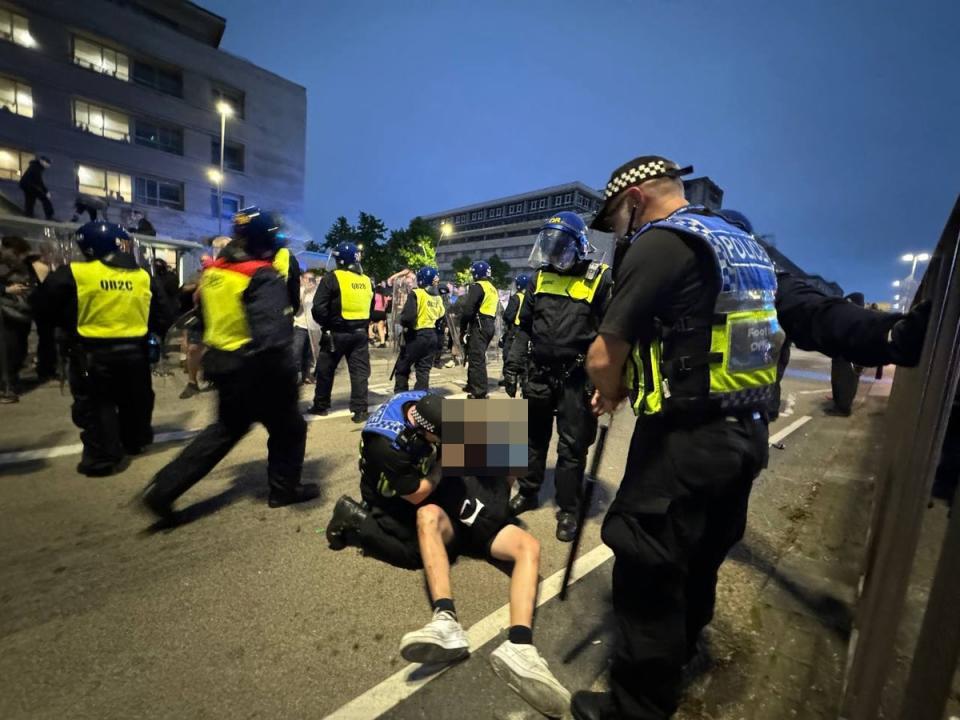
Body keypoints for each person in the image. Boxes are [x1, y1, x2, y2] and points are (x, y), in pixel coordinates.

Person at [576, 154, 932, 720]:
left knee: (648, 566)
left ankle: (636, 707)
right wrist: (893, 335)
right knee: (701, 557)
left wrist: (611, 389)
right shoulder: (742, 247)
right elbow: (814, 313)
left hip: (681, 443)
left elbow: (603, 353)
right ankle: (679, 660)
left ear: (635, 200)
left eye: (616, 218)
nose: (618, 231)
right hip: (744, 437)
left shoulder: (659, 242)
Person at [141, 208, 319, 518]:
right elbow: (273, 333)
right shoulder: (262, 274)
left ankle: (163, 490)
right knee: (290, 429)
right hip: (260, 368)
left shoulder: (215, 271)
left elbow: (203, 316)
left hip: (223, 362)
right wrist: (284, 375)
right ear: (265, 238)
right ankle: (284, 490)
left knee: (224, 431)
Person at [504, 212, 612, 542]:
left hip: (577, 377)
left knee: (572, 447)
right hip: (538, 371)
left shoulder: (600, 279)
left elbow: (610, 336)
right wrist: (513, 365)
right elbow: (523, 328)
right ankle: (528, 491)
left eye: (559, 246)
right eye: (549, 246)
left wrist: (605, 383)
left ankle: (567, 508)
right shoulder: (540, 277)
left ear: (578, 247)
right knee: (531, 438)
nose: (553, 253)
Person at [34, 222, 172, 475]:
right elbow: (164, 314)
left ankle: (102, 458)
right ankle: (135, 442)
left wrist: (65, 326)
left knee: (97, 405)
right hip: (135, 353)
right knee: (136, 400)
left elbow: (42, 307)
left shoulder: (74, 273)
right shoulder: (142, 276)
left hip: (91, 354)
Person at [325, 390, 444, 569]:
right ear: (425, 429)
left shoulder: (425, 401)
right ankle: (356, 519)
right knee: (423, 552)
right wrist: (442, 466)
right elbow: (416, 495)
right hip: (390, 491)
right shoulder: (391, 445)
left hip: (411, 463)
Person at [309, 241, 374, 422]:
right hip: (360, 333)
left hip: (336, 333)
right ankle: (360, 411)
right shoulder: (366, 280)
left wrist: (327, 323)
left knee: (325, 370)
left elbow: (318, 307)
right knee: (360, 373)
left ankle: (321, 405)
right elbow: (370, 307)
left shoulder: (332, 278)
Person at [393, 266, 445, 392]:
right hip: (432, 336)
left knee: (402, 368)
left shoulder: (417, 293)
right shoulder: (438, 298)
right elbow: (441, 315)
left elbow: (408, 317)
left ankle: (400, 397)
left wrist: (402, 321)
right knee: (423, 369)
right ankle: (420, 399)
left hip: (417, 335)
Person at [0, 237, 35, 402]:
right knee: (8, 350)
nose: (20, 257)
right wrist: (6, 289)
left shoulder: (24, 264)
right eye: (17, 253)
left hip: (21, 312)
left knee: (19, 349)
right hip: (6, 311)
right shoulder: (4, 263)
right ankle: (6, 387)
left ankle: (11, 381)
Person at [459, 260, 499, 398]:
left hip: (480, 324)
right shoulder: (492, 288)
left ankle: (479, 391)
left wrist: (463, 328)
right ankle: (472, 384)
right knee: (474, 354)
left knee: (476, 358)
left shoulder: (477, 286)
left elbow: (468, 310)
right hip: (489, 324)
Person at [498, 273, 529, 387]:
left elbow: (508, 315)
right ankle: (523, 379)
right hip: (525, 330)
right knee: (524, 356)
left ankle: (508, 379)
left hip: (514, 331)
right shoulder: (529, 297)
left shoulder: (516, 298)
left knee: (508, 354)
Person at [292, 272, 318, 384]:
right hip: (300, 325)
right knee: (297, 352)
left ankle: (306, 375)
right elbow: (297, 307)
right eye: (308, 278)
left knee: (309, 354)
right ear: (302, 279)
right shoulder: (300, 290)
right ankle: (295, 376)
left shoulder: (315, 292)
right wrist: (305, 293)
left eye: (312, 279)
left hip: (312, 327)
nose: (310, 281)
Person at [19, 155, 54, 220]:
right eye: (47, 163)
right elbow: (39, 181)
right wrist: (46, 191)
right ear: (42, 161)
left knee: (30, 199)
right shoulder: (36, 167)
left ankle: (29, 214)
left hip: (25, 185)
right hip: (28, 185)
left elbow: (37, 180)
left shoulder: (35, 166)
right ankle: (49, 216)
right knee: (44, 198)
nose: (48, 166)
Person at [370, 282, 391, 347]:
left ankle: (371, 337)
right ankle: (382, 343)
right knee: (380, 328)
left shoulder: (374, 295)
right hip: (382, 314)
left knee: (370, 325)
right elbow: (386, 306)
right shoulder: (385, 298)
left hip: (375, 312)